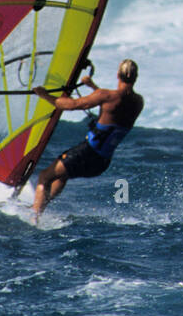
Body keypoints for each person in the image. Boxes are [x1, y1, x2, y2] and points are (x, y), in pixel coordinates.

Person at [29, 59, 143, 222]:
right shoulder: (138, 102)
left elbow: (71, 105)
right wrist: (93, 87)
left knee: (44, 177)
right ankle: (40, 208)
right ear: (135, 77)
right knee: (61, 176)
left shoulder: (106, 95)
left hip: (87, 152)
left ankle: (34, 217)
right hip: (102, 162)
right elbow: (113, 105)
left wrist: (43, 94)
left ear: (117, 75)